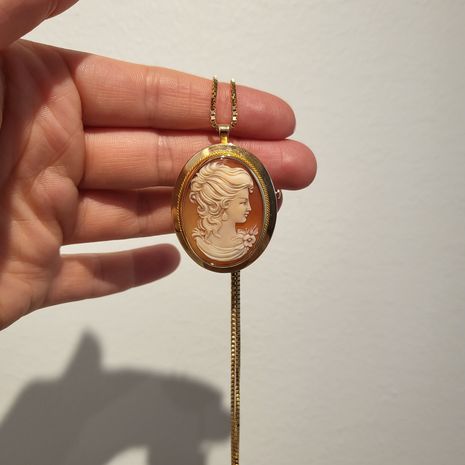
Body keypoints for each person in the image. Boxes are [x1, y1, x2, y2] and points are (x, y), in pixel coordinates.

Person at [0, 0, 317, 331]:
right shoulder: (212, 241)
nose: (249, 207)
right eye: (242, 200)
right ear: (221, 203)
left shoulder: (246, 240)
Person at [189, 161, 256, 262]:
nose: (249, 208)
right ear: (222, 205)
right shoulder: (200, 244)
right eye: (243, 202)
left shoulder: (244, 243)